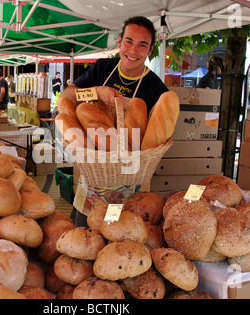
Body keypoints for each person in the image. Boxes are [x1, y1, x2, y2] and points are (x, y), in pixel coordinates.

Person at [58, 16, 169, 226]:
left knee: (120, 239)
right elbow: (68, 96)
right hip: (92, 177)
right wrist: (96, 91)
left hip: (130, 184)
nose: (133, 50)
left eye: (142, 45)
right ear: (119, 41)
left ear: (150, 50)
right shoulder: (103, 69)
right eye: (129, 41)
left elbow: (158, 138)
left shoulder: (156, 89)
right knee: (84, 234)